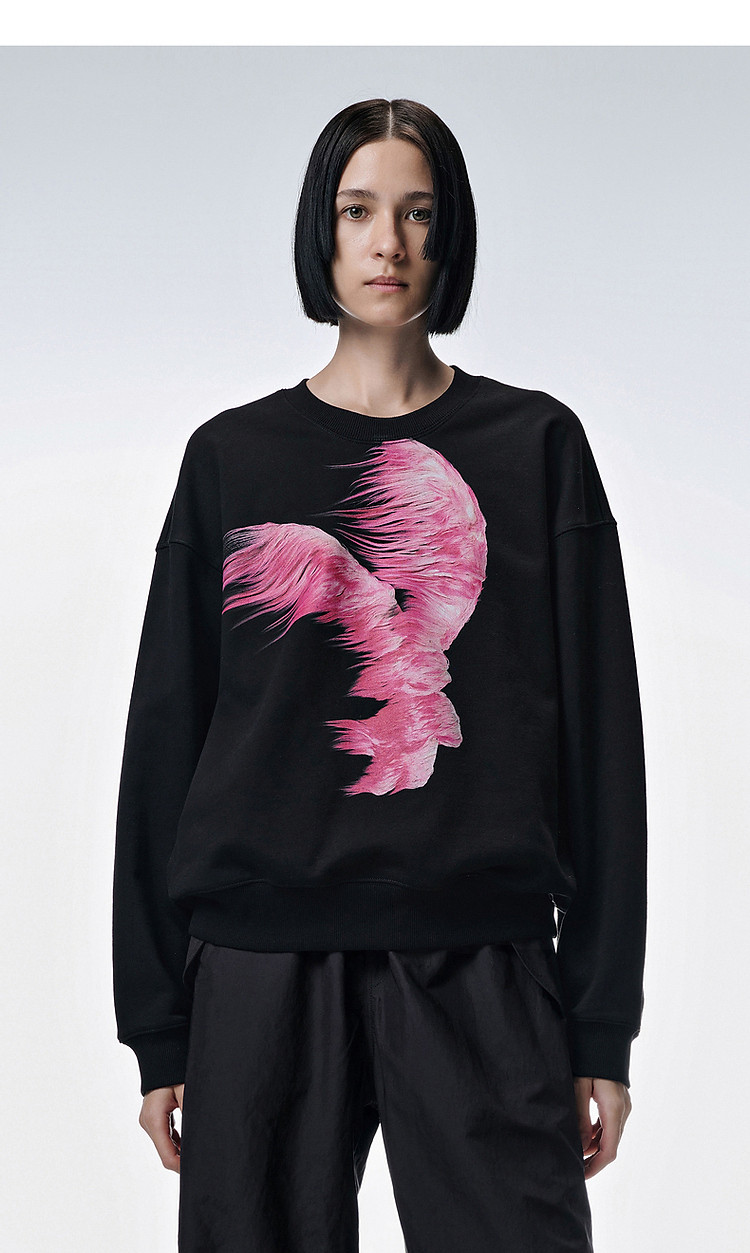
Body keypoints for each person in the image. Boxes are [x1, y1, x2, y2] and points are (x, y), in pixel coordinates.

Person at [112, 97, 647, 1252]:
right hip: (260, 964)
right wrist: (158, 1025)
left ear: (451, 236)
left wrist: (600, 1023)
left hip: (484, 958)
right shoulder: (231, 457)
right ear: (323, 228)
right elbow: (167, 737)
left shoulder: (536, 449)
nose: (388, 243)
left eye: (418, 213)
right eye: (359, 210)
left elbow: (604, 746)